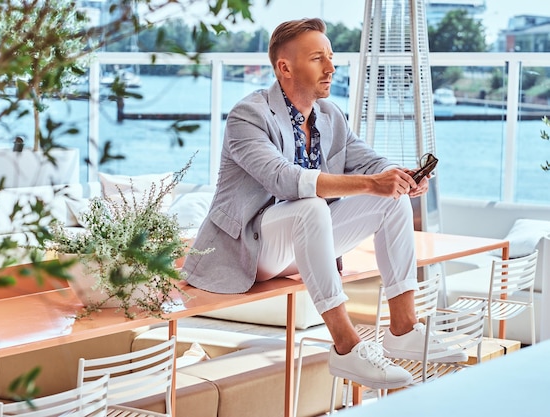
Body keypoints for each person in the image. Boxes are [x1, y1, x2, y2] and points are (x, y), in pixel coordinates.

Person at [182, 18, 463, 389]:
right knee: (312, 205)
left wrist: (399, 177)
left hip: (304, 244)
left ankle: (403, 328)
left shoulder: (331, 116)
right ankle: (347, 347)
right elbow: (284, 179)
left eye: (330, 58)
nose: (331, 68)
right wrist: (371, 184)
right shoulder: (248, 115)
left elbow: (369, 162)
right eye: (318, 59)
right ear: (285, 68)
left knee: (391, 201)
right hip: (252, 248)